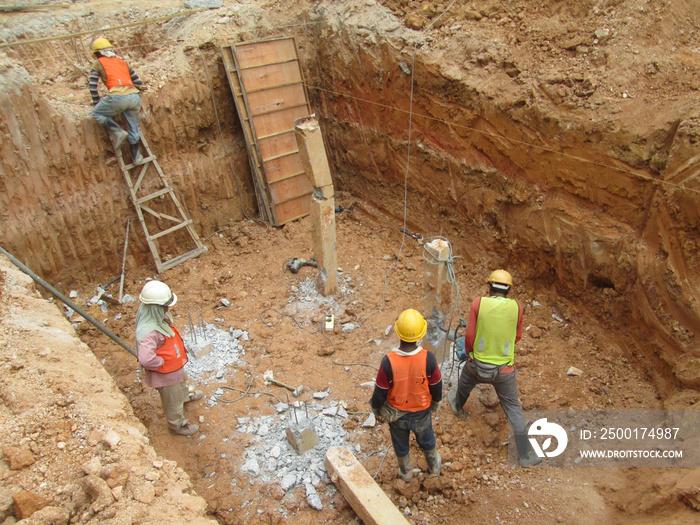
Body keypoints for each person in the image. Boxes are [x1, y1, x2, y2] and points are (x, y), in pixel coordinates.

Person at [447, 270, 541, 467]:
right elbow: (517, 336)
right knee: (513, 407)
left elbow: (470, 336)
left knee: (464, 383)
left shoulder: (478, 303)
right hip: (504, 371)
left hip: (476, 366)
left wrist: (470, 354)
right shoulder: (517, 307)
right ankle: (526, 454)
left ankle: (457, 405)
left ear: (489, 287)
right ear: (509, 290)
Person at [370, 309, 443, 481]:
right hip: (422, 413)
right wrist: (437, 402)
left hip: (398, 415)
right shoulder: (429, 358)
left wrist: (376, 407)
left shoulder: (388, 361)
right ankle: (434, 467)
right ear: (421, 335)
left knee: (400, 444)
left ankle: (406, 472)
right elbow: (436, 385)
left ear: (398, 333)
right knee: (427, 441)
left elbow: (380, 391)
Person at [136, 280, 202, 436]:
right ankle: (177, 425)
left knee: (181, 383)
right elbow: (145, 359)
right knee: (172, 401)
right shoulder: (149, 332)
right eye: (166, 305)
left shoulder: (155, 316)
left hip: (174, 368)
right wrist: (161, 362)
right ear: (156, 307)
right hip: (165, 375)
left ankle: (185, 396)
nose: (168, 308)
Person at [89, 37, 145, 164]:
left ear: (98, 53)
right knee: (134, 128)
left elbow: (92, 85)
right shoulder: (123, 62)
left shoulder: (98, 63)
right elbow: (138, 82)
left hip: (117, 97)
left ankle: (118, 131)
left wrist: (96, 101)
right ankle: (136, 158)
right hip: (134, 96)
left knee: (97, 113)